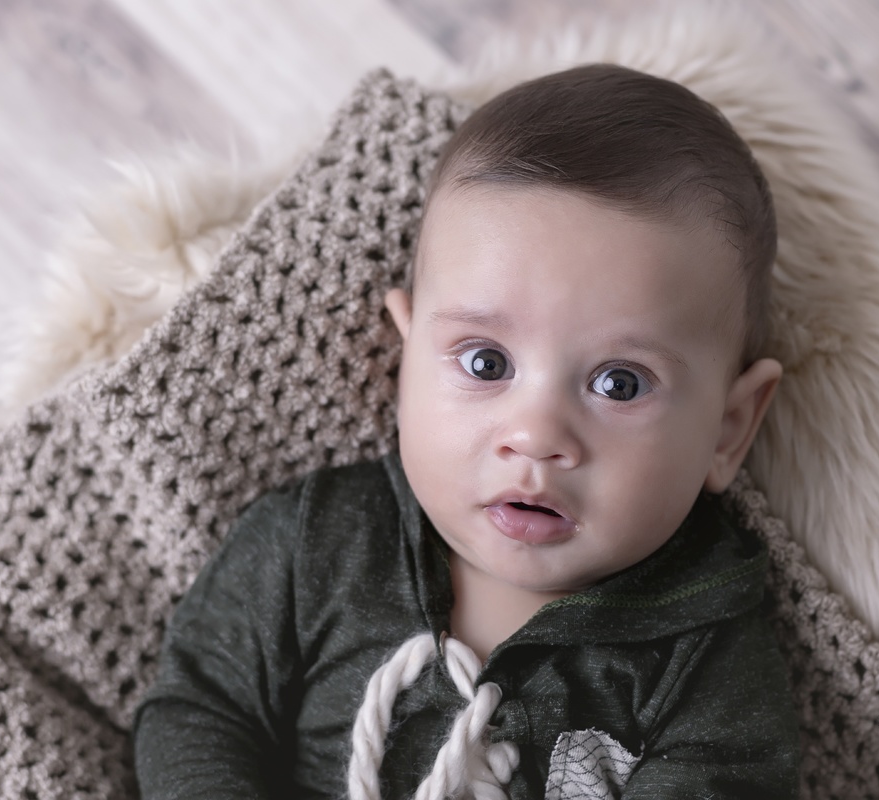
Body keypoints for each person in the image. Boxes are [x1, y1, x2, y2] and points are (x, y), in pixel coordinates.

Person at [133, 63, 800, 799]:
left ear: (727, 430)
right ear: (407, 355)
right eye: (486, 362)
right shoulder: (313, 545)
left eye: (619, 383)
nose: (536, 435)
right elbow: (200, 714)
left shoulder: (706, 656)